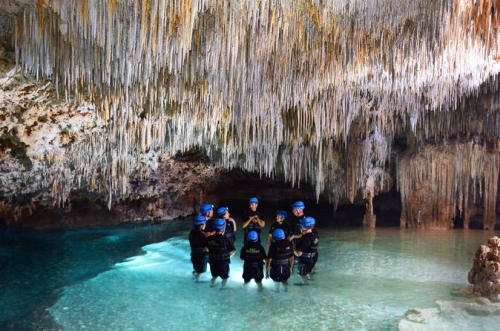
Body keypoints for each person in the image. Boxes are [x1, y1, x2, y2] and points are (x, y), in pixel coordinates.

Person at [206, 218, 236, 287]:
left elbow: (206, 249)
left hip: (213, 263)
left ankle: (212, 285)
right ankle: (223, 288)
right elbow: (233, 250)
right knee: (225, 278)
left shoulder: (209, 239)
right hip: (223, 263)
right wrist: (228, 256)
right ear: (223, 228)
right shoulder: (226, 239)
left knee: (214, 276)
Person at [294, 217, 319, 284]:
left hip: (306, 260)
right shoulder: (315, 234)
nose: (301, 227)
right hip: (314, 257)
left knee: (302, 274)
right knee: (310, 270)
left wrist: (292, 249)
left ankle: (305, 284)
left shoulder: (305, 239)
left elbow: (299, 254)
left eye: (302, 225)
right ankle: (311, 278)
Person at [189, 216, 209, 281]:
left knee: (197, 269)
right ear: (201, 226)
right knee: (201, 271)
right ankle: (197, 280)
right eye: (204, 224)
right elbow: (206, 248)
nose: (205, 225)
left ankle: (194, 275)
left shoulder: (192, 232)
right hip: (201, 257)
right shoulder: (202, 235)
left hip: (194, 255)